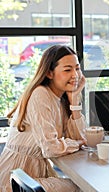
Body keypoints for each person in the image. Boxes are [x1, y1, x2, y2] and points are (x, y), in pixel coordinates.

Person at [0, 45, 86, 192]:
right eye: (67, 70)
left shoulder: (61, 99)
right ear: (49, 73)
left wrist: (75, 101)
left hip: (33, 177)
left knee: (79, 185)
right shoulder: (40, 94)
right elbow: (51, 149)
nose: (75, 75)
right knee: (80, 187)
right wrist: (76, 143)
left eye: (77, 68)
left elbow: (81, 138)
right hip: (15, 179)